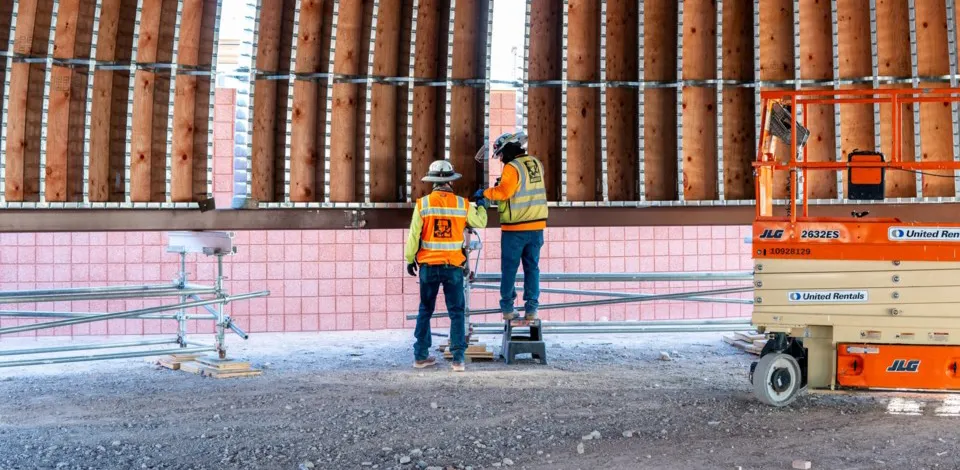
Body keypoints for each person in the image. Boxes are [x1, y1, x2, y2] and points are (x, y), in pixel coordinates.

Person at [405, 160, 488, 372]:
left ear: (432, 182)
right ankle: (458, 359)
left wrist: (409, 258)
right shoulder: (462, 204)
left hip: (428, 266)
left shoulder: (423, 204)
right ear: (451, 181)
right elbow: (480, 223)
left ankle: (420, 356)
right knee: (457, 312)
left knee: (425, 310)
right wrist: (481, 205)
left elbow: (414, 235)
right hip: (453, 266)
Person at [475, 131, 548, 321]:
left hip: (515, 229)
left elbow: (504, 192)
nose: (501, 159)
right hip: (537, 227)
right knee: (532, 268)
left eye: (500, 154)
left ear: (508, 148)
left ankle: (507, 308)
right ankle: (532, 309)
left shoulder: (512, 167)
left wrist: (485, 193)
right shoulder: (536, 163)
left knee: (509, 269)